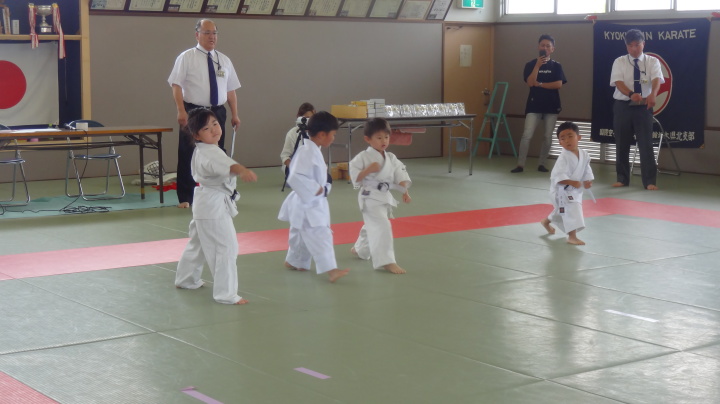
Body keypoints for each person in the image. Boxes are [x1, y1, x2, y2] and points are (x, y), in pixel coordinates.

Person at [174, 108, 257, 304]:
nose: (213, 129)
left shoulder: (203, 150)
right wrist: (242, 170)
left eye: (215, 124)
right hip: (213, 207)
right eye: (206, 128)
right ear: (196, 135)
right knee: (225, 247)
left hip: (205, 204)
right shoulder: (210, 152)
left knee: (198, 244)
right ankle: (226, 294)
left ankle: (186, 279)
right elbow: (229, 166)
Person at [168, 19, 242, 208]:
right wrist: (181, 111)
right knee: (188, 152)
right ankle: (186, 197)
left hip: (217, 111)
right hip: (193, 111)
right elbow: (176, 85)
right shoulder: (187, 57)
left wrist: (235, 114)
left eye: (214, 33)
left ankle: (221, 193)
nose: (212, 37)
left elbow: (231, 89)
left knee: (218, 153)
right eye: (207, 32)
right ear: (197, 35)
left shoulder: (224, 60)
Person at [278, 111, 350, 283]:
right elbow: (294, 177)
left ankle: (294, 261)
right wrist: (316, 189)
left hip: (305, 202)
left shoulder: (312, 149)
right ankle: (331, 270)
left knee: (300, 234)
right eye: (333, 135)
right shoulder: (307, 151)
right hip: (308, 203)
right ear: (322, 134)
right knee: (320, 235)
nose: (333, 138)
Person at [349, 118, 411, 274]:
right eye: (379, 137)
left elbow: (400, 174)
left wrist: (405, 191)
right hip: (369, 196)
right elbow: (355, 177)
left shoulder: (391, 157)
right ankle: (387, 261)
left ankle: (360, 249)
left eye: (386, 137)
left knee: (372, 223)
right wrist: (368, 170)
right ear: (367, 139)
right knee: (382, 225)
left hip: (383, 196)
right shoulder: (363, 157)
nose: (384, 141)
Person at [610, 28, 663, 191]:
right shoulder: (619, 61)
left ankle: (649, 181)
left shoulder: (652, 61)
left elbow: (656, 79)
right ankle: (622, 179)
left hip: (643, 106)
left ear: (643, 44)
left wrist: (653, 94)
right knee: (622, 142)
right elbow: (618, 82)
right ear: (626, 46)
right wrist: (631, 94)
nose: (634, 49)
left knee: (646, 143)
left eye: (637, 45)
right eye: (630, 45)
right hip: (623, 105)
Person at [511, 34, 567, 174]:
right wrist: (537, 66)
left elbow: (558, 84)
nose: (545, 48)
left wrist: (541, 84)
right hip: (534, 105)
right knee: (527, 135)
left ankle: (542, 163)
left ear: (552, 49)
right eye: (543, 45)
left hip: (551, 106)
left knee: (547, 136)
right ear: (538, 47)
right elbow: (530, 83)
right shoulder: (530, 65)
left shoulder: (557, 66)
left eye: (548, 46)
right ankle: (520, 164)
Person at [541, 121, 594, 245]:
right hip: (561, 190)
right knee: (572, 210)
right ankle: (572, 237)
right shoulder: (563, 157)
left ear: (578, 137)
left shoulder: (584, 154)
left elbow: (586, 169)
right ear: (560, 142)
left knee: (562, 211)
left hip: (574, 190)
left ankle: (546, 222)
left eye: (570, 136)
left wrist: (587, 180)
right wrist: (572, 182)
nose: (567, 140)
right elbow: (558, 176)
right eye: (563, 138)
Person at [280, 102, 316, 172]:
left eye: (311, 118)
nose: (308, 121)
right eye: (306, 118)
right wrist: (295, 168)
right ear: (299, 118)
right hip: (294, 168)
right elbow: (285, 156)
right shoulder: (292, 133)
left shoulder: (315, 133)